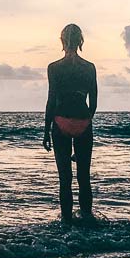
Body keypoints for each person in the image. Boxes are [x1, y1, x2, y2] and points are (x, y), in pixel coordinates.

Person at [43, 23, 97, 223]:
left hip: (61, 121)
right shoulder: (89, 68)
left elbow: (51, 100)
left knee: (65, 179)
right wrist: (85, 122)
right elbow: (94, 103)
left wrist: (46, 131)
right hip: (83, 121)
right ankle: (87, 222)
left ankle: (66, 226)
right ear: (81, 41)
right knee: (84, 177)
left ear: (62, 41)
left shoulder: (54, 68)